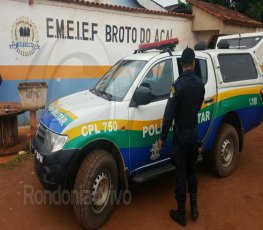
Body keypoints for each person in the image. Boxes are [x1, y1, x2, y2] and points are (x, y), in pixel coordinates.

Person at [157, 47, 205, 226]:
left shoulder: (177, 86)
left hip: (181, 136)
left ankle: (181, 213)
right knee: (192, 171)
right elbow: (199, 105)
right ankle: (194, 208)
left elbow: (169, 114)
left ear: (182, 64)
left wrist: (162, 136)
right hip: (194, 134)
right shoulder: (200, 84)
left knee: (180, 174)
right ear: (193, 63)